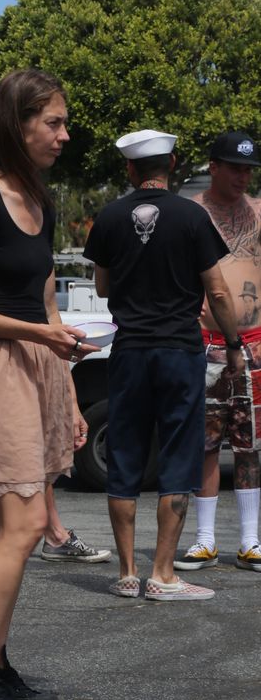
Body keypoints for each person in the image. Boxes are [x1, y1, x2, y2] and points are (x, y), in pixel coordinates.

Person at [0, 69, 101, 700]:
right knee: (27, 525)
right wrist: (38, 334)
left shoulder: (39, 200)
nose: (64, 135)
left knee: (23, 528)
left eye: (64, 123)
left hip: (38, 368)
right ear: (18, 122)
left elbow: (45, 299)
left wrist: (68, 392)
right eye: (53, 123)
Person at [83, 129, 244, 601]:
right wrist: (234, 343)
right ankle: (163, 574)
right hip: (179, 351)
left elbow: (103, 287)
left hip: (129, 351)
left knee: (125, 456)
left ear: (130, 168)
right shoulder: (192, 216)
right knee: (177, 457)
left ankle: (127, 574)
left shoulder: (109, 217)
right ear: (171, 165)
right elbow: (217, 290)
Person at [0, 242, 111, 567]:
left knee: (35, 459)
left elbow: (50, 313)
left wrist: (71, 402)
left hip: (40, 358)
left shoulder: (39, 232)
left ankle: (49, 536)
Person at [174, 132, 261, 573]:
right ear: (214, 167)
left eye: (248, 170)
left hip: (255, 343)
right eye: (235, 168)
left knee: (251, 444)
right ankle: (205, 540)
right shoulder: (192, 213)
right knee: (206, 444)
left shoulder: (259, 211)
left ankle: (250, 540)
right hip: (205, 343)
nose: (243, 177)